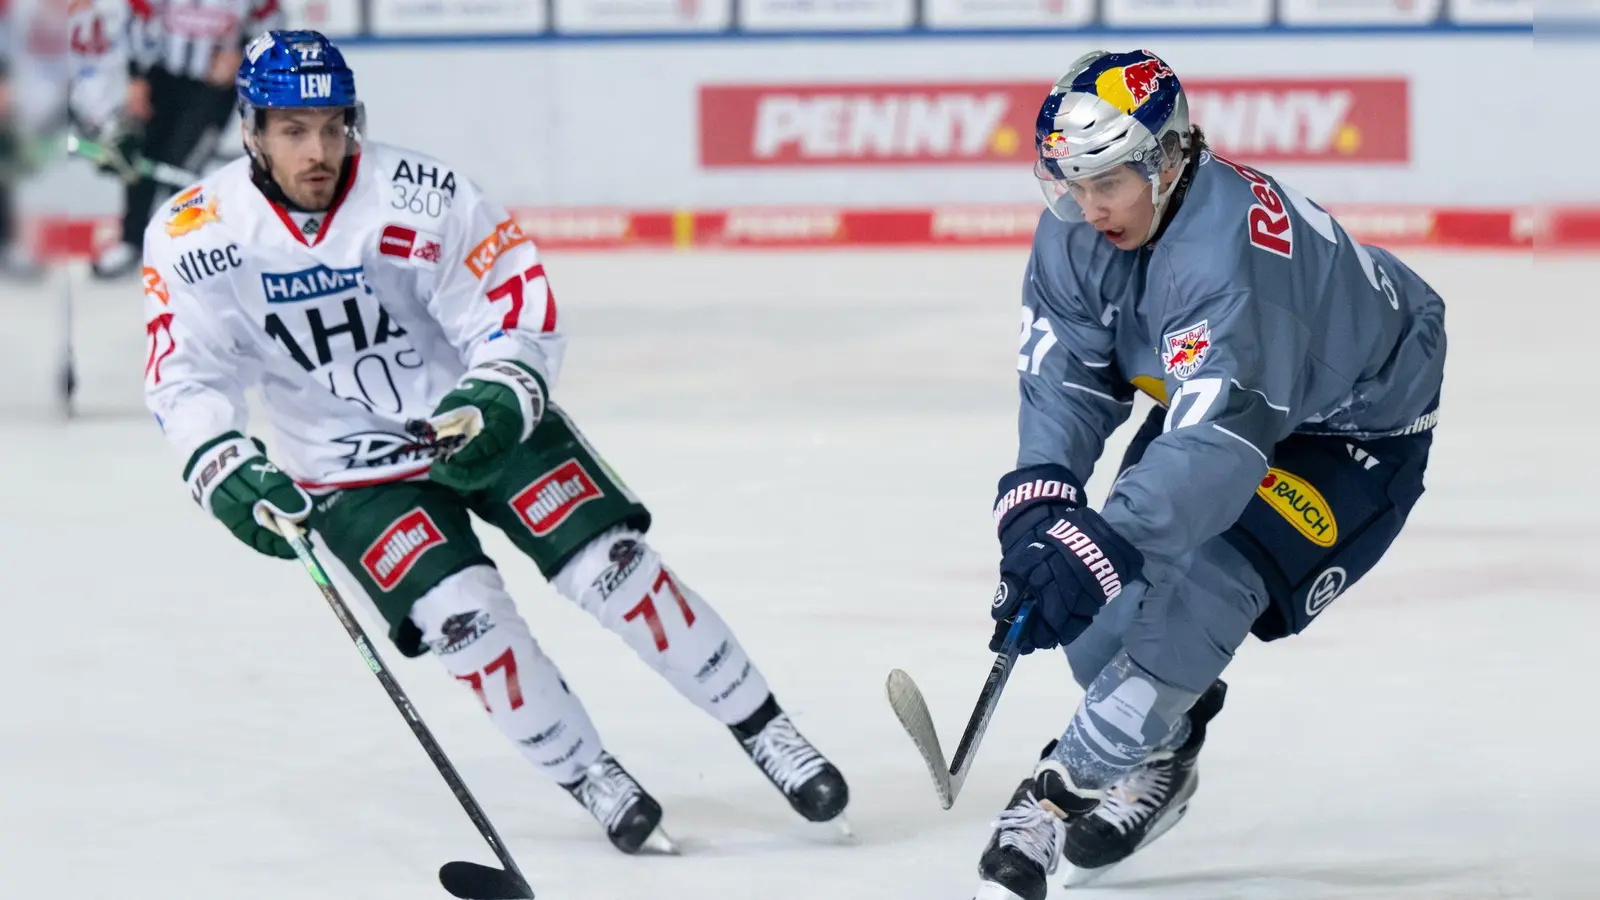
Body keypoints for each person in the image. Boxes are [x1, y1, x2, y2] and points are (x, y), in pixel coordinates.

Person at [140, 30, 849, 855]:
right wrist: (221, 464)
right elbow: (184, 377)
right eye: (295, 130)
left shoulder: (422, 193)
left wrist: (499, 393)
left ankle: (765, 729)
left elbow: (513, 307)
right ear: (252, 131)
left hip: (476, 425)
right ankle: (590, 772)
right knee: (464, 623)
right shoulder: (195, 236)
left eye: (334, 126)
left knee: (616, 571)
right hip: (347, 472)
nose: (320, 150)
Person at [972, 49, 1446, 899]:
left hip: (1352, 428)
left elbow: (1217, 449)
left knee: (1202, 591)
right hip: (1231, 398)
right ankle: (1168, 741)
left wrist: (1100, 539)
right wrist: (1041, 494)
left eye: (1106, 181)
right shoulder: (1086, 225)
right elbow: (1069, 375)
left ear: (1167, 157)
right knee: (1100, 620)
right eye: (1068, 182)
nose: (1085, 207)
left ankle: (1052, 802)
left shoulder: (1231, 265)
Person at [92, 0, 281, 279]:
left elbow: (270, 25)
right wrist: (137, 78)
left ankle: (179, 247)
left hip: (213, 89)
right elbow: (139, 17)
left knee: (181, 168)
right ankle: (132, 241)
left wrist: (243, 57)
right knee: (141, 159)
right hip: (163, 77)